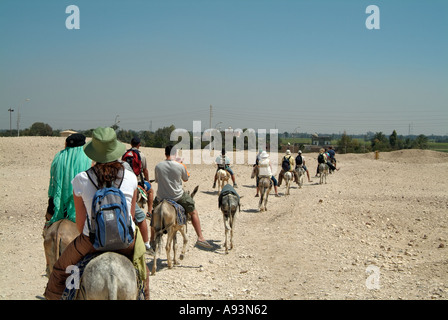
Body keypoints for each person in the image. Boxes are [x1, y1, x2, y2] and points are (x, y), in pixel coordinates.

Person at [44, 127, 149, 300]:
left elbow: (80, 222)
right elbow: (130, 217)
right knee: (142, 272)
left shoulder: (81, 179)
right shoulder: (130, 178)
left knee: (60, 271)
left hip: (91, 241)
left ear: (93, 152)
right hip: (125, 241)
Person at [152, 145, 212, 249]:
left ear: (165, 153)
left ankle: (151, 240)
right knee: (193, 211)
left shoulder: (158, 166)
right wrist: (181, 163)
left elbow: (157, 180)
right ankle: (200, 237)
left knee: (153, 212)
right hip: (177, 196)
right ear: (175, 154)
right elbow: (186, 179)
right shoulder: (180, 166)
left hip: (161, 197)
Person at [46, 133, 92, 226]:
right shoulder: (88, 158)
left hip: (59, 203)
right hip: (82, 202)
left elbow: (54, 180)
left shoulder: (59, 156)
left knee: (48, 222)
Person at [124, 137, 154, 252]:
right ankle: (149, 211)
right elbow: (145, 170)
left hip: (125, 181)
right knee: (151, 190)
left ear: (131, 143)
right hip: (136, 181)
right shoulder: (141, 155)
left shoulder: (125, 154)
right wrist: (147, 180)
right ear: (139, 145)